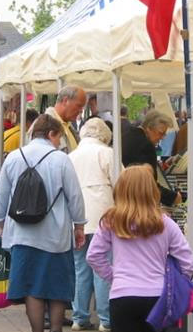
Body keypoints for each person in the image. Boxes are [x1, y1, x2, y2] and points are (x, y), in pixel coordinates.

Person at [0, 114, 86, 332]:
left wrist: (0, 223)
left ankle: (37, 330)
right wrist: (79, 226)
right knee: (56, 287)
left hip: (21, 234)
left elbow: (2, 195)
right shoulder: (61, 159)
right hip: (56, 234)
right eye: (59, 138)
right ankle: (55, 328)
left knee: (31, 287)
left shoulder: (14, 157)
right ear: (51, 134)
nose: (59, 143)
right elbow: (75, 196)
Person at [86, 165, 193, 332]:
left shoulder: (111, 221)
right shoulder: (165, 223)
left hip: (122, 296)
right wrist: (175, 284)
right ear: (153, 190)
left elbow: (93, 256)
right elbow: (188, 264)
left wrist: (114, 276)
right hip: (158, 296)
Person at [68, 118, 118, 332]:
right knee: (103, 267)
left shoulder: (71, 156)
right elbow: (121, 184)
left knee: (80, 268)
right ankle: (106, 320)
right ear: (105, 135)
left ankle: (79, 318)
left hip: (76, 218)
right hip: (103, 217)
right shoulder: (108, 153)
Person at [46, 86, 88, 152]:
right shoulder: (45, 125)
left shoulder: (67, 125)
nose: (81, 111)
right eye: (79, 106)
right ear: (65, 101)